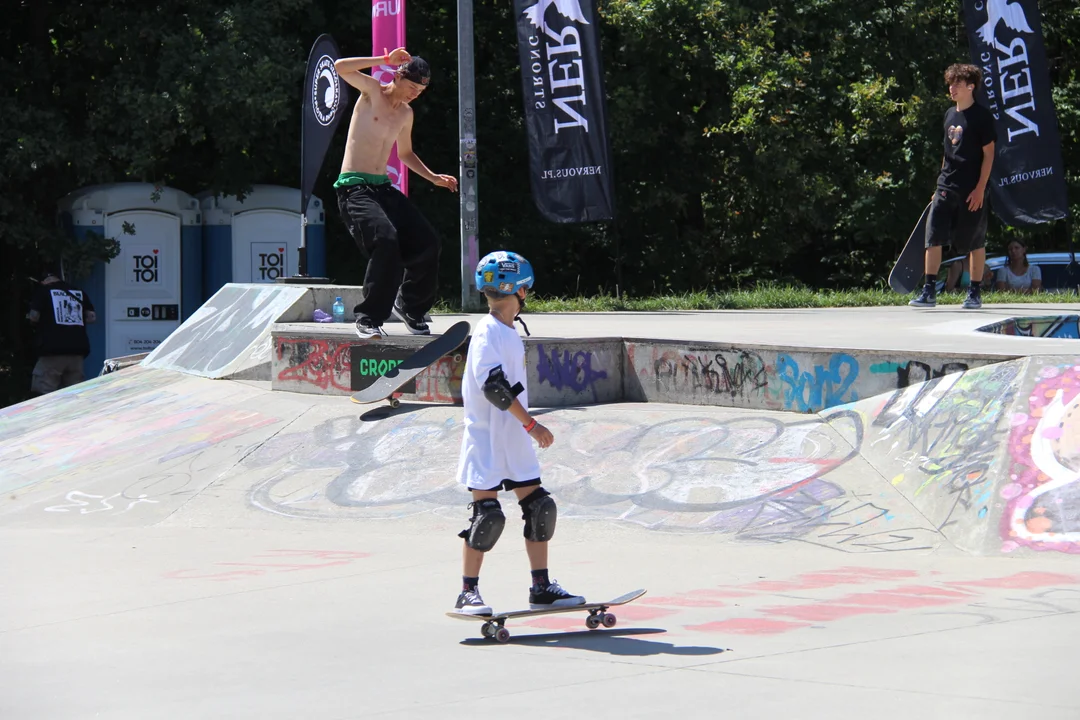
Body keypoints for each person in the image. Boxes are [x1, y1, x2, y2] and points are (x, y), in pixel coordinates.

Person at [453, 250, 585, 616]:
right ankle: (468, 593)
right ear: (521, 290)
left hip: (511, 437)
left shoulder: (507, 331)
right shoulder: (487, 333)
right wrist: (531, 423)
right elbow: (493, 387)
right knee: (488, 517)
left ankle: (541, 588)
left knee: (540, 508)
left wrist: (523, 427)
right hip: (487, 438)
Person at [333, 47, 458, 339]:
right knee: (386, 240)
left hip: (381, 189)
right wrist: (382, 60)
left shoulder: (406, 113)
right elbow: (340, 66)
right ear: (398, 77)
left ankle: (410, 306)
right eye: (412, 86)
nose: (415, 93)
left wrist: (432, 177)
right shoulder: (372, 92)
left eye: (421, 90)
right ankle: (368, 317)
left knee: (427, 242)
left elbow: (405, 153)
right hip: (353, 188)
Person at [909, 63, 997, 310]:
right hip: (946, 186)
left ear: (971, 87)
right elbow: (947, 153)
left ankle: (975, 292)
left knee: (975, 242)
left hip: (972, 190)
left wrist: (980, 188)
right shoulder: (949, 114)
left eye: (957, 83)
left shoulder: (982, 117)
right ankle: (928, 291)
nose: (951, 88)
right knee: (933, 237)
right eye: (950, 83)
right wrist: (939, 184)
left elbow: (989, 155)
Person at [27, 265, 96, 396]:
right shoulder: (78, 291)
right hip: (77, 351)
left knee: (43, 394)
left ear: (45, 280)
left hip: (52, 351)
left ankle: (46, 417)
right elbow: (92, 317)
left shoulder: (43, 291)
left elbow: (34, 317)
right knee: (75, 394)